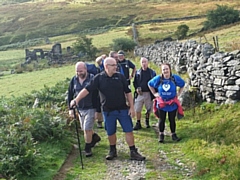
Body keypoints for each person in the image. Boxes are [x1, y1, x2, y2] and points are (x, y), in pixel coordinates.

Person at [70, 57, 146, 161]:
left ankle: (133, 151)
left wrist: (132, 107)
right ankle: (112, 151)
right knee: (111, 132)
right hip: (108, 111)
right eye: (113, 65)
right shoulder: (98, 78)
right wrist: (76, 100)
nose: (116, 67)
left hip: (122, 109)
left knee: (128, 130)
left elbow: (128, 92)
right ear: (106, 66)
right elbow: (87, 89)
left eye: (116, 65)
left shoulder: (120, 77)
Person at [68, 62, 101, 157]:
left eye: (81, 71)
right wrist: (70, 108)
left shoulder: (92, 79)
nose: (79, 73)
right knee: (84, 128)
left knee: (87, 128)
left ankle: (88, 149)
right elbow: (70, 94)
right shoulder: (74, 80)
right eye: (77, 71)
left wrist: (97, 110)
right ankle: (94, 137)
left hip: (91, 107)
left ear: (86, 69)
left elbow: (98, 95)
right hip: (80, 108)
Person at [148, 63, 185, 143]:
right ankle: (161, 135)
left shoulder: (174, 78)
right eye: (163, 69)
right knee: (162, 119)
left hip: (172, 103)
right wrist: (154, 94)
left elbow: (182, 84)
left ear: (170, 69)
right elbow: (150, 84)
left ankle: (173, 134)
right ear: (161, 71)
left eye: (166, 69)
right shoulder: (158, 78)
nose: (165, 71)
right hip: (162, 103)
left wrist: (179, 93)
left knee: (172, 120)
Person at [133, 57, 156, 130]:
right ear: (140, 63)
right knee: (137, 109)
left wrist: (154, 93)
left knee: (148, 109)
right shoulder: (138, 72)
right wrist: (137, 88)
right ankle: (138, 122)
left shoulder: (152, 72)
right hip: (140, 93)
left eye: (145, 62)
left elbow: (155, 83)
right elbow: (135, 82)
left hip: (149, 93)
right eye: (142, 62)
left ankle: (147, 121)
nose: (144, 64)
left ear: (148, 63)